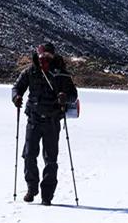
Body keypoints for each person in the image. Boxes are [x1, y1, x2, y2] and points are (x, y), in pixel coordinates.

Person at [11, 43, 78, 205]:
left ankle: (47, 195)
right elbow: (17, 88)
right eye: (42, 56)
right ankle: (32, 188)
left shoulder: (62, 74)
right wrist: (16, 97)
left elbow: (73, 95)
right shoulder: (30, 71)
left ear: (52, 56)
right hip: (33, 119)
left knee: (51, 159)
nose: (44, 59)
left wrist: (65, 97)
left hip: (52, 121)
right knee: (29, 155)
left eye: (47, 56)